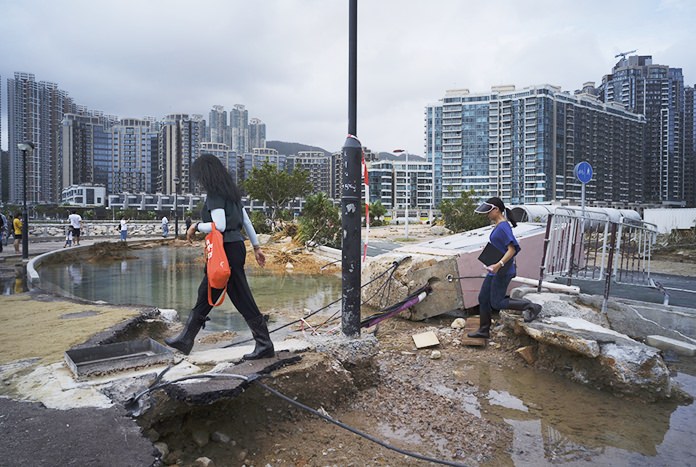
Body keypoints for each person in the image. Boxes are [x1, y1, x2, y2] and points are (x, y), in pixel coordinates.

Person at [165, 153, 273, 359]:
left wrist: (196, 227)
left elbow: (220, 226)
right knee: (207, 291)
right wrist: (257, 247)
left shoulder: (214, 195)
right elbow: (247, 222)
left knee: (239, 296)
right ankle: (186, 338)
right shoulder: (232, 193)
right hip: (235, 247)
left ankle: (264, 344)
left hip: (225, 250)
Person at [467, 197, 542, 339]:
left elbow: (512, 249)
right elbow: (502, 247)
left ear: (496, 209)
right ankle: (484, 330)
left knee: (497, 302)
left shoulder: (503, 227)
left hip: (502, 271)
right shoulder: (499, 225)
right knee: (483, 298)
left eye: (488, 211)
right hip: (494, 270)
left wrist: (498, 264)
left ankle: (530, 306)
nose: (486, 215)